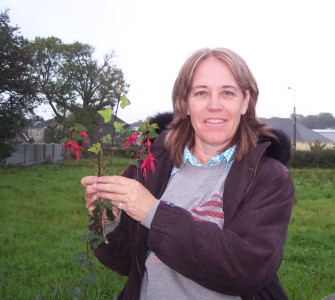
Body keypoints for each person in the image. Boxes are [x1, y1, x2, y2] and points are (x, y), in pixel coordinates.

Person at [81, 47, 295, 300]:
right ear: (186, 103)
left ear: (245, 102)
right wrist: (108, 221)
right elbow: (126, 262)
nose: (214, 106)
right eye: (201, 93)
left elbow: (246, 269)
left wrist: (154, 213)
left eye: (227, 93)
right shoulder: (152, 165)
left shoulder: (270, 177)